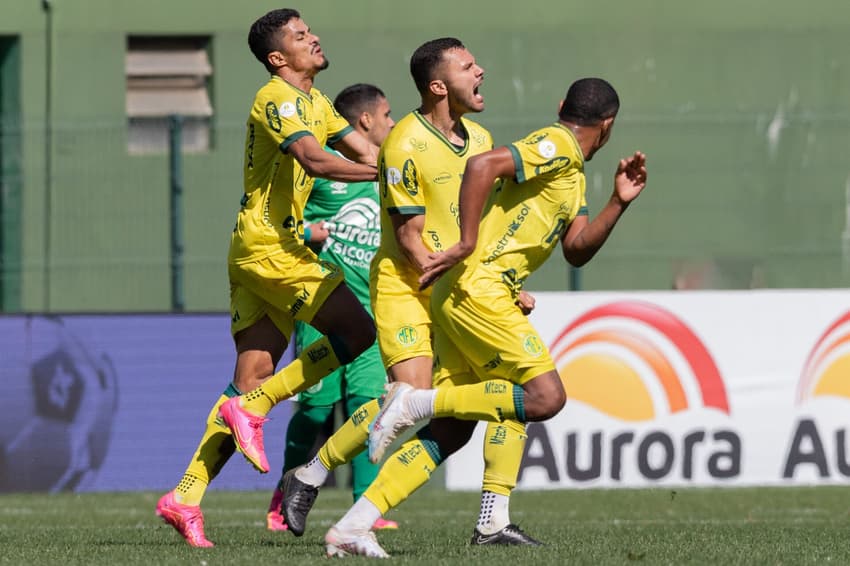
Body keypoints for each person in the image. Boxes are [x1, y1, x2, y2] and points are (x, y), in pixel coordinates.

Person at [324, 77, 648, 558]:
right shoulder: (555, 143)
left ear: (563, 103)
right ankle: (415, 405)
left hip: (471, 291)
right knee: (544, 396)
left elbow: (577, 250)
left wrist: (618, 202)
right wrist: (468, 241)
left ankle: (356, 524)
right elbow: (483, 164)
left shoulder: (573, 173)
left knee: (460, 427)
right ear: (608, 126)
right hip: (480, 288)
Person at [277, 37, 539, 548]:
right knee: (409, 402)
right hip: (408, 286)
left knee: (490, 399)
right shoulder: (404, 145)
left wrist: (502, 281)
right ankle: (313, 473)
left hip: (459, 286)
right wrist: (469, 289)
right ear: (439, 85)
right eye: (468, 66)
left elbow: (483, 228)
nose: (481, 70)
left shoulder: (482, 141)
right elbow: (409, 239)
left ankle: (492, 519)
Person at [155, 8, 382, 547]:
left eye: (310, 30)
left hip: (257, 251)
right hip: (271, 249)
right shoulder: (276, 97)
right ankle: (252, 410)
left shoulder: (318, 101)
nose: (314, 37)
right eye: (301, 36)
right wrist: (392, 174)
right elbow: (318, 161)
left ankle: (185, 495)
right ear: (279, 58)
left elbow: (368, 150)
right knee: (358, 333)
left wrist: (413, 165)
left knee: (252, 377)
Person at [264, 83, 398, 533]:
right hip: (327, 312)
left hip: (375, 316)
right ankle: (282, 501)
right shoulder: (321, 168)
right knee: (317, 411)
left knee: (368, 410)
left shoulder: (390, 173)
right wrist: (307, 232)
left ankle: (366, 508)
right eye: (387, 114)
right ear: (365, 121)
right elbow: (276, 224)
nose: (392, 123)